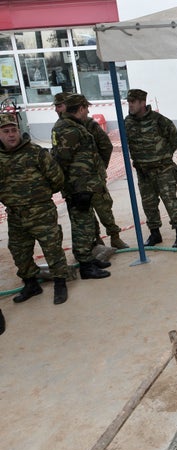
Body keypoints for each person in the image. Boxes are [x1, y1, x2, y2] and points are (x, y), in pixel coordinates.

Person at [0, 113, 70, 304]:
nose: (11, 135)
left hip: (41, 212)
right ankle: (31, 284)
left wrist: (40, 196)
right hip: (16, 215)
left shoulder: (35, 152)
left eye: (14, 130)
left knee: (52, 248)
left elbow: (57, 178)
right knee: (18, 251)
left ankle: (60, 283)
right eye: (6, 131)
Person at [53, 93, 129, 250]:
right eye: (56, 106)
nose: (57, 109)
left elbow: (105, 145)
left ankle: (114, 237)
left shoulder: (86, 124)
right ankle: (96, 243)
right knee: (85, 215)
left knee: (104, 209)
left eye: (60, 105)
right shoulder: (63, 127)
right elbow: (61, 158)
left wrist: (100, 167)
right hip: (77, 184)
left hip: (94, 180)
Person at [51, 94, 111, 279]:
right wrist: (72, 186)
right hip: (78, 188)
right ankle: (85, 265)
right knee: (81, 226)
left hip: (85, 186)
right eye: (86, 108)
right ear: (80, 108)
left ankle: (90, 260)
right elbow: (61, 160)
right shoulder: (67, 129)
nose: (88, 111)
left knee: (87, 223)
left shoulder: (73, 126)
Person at [124, 89, 177, 248]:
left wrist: (164, 156)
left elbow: (175, 138)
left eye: (133, 102)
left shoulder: (159, 121)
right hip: (143, 172)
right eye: (129, 102)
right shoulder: (128, 122)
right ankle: (155, 234)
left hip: (162, 170)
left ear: (142, 103)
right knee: (149, 204)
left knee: (170, 202)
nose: (130, 105)